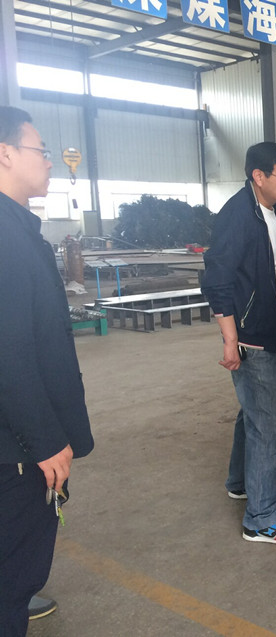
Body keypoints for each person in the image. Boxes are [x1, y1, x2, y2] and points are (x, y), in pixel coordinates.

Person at [0, 106, 95, 635]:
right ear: (5, 153)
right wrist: (43, 441)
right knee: (14, 572)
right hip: (15, 452)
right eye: (40, 150)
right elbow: (8, 350)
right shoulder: (6, 237)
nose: (50, 161)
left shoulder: (17, 229)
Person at [201, 141, 276, 545]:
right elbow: (217, 280)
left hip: (274, 324)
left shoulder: (273, 211)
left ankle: (243, 482)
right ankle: (261, 518)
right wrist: (231, 339)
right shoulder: (237, 215)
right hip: (253, 335)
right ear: (258, 176)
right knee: (268, 425)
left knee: (255, 412)